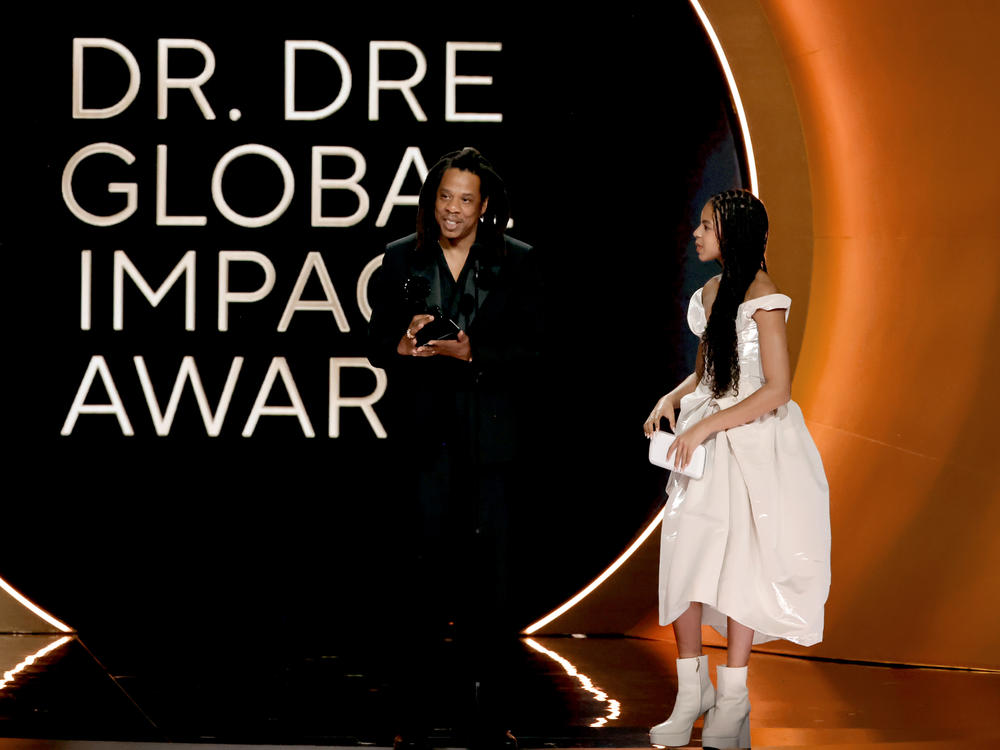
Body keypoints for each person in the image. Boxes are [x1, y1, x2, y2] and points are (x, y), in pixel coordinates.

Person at [367, 147, 541, 750]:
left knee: (489, 593)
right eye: (445, 196)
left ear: (484, 206)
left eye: (466, 199)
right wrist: (403, 343)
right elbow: (372, 343)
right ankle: (413, 719)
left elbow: (538, 354)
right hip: (424, 448)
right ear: (431, 198)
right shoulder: (399, 258)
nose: (452, 209)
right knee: (419, 588)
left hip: (492, 450)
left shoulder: (517, 263)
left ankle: (490, 718)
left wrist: (476, 355)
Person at [643, 190, 830, 749]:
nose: (697, 234)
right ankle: (690, 689)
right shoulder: (710, 292)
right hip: (707, 443)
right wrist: (672, 399)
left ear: (735, 235)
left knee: (740, 566)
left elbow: (776, 390)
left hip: (749, 442)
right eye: (699, 224)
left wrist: (706, 425)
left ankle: (732, 697)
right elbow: (705, 374)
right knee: (685, 558)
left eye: (707, 226)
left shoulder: (764, 297)